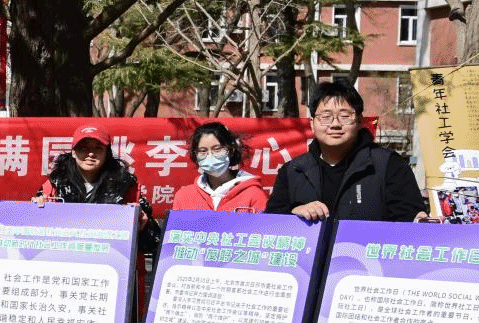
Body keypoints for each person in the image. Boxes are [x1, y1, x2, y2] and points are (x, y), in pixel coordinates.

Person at [266, 80, 424, 222]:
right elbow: (270, 225)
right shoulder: (293, 171)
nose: (335, 124)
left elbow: (410, 222)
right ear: (312, 124)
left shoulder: (388, 165)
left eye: (344, 116)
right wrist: (294, 214)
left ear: (359, 121)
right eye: (326, 116)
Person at [172, 122, 268, 213]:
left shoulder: (254, 195)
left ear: (231, 150)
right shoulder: (184, 196)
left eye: (217, 149)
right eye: (203, 151)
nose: (210, 156)